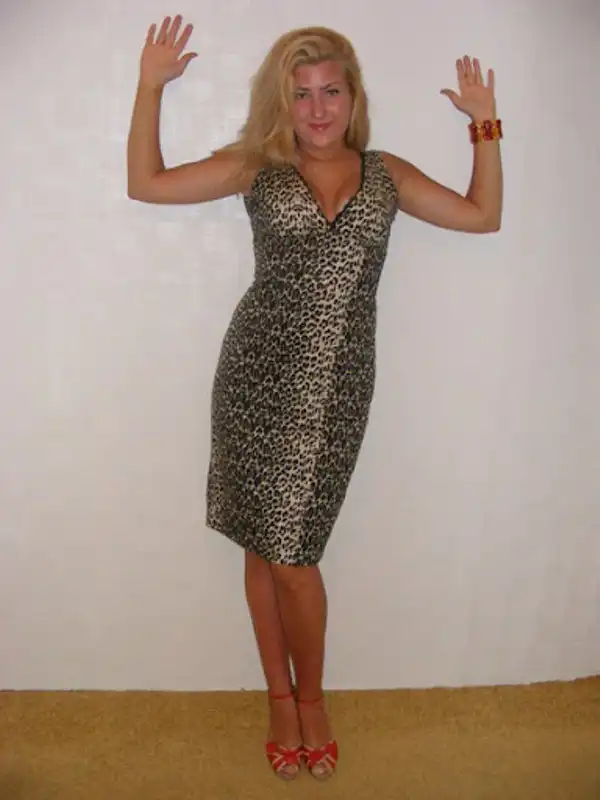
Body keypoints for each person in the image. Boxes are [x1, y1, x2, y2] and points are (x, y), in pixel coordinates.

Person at [127, 16, 503, 781]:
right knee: (262, 542)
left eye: (331, 91)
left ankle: (312, 699)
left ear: (353, 97)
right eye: (301, 94)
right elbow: (147, 184)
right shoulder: (258, 167)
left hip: (336, 389)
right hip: (253, 375)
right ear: (283, 103)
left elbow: (482, 216)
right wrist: (150, 87)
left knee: (293, 553)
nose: (318, 108)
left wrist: (484, 125)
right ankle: (281, 699)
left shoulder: (387, 174)